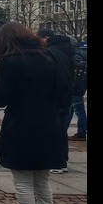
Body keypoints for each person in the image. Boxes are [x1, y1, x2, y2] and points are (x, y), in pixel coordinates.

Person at [0, 22, 70, 204]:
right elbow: (63, 96)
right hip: (49, 125)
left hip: (21, 127)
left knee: (23, 181)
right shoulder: (50, 57)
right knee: (43, 179)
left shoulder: (11, 61)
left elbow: (1, 99)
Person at [35, 27, 78, 174]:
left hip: (57, 98)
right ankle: (60, 160)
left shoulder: (55, 52)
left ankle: (58, 162)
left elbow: (59, 77)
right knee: (60, 130)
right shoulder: (64, 49)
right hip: (65, 96)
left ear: (46, 38)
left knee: (56, 130)